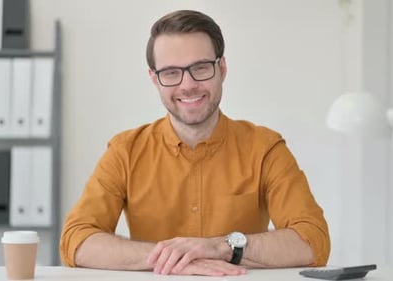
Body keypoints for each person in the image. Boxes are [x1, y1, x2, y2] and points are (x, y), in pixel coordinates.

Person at [60, 9, 330, 276]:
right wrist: (173, 258)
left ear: (221, 69)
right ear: (154, 79)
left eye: (200, 68)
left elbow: (312, 241)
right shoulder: (125, 151)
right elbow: (76, 241)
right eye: (171, 73)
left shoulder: (265, 148)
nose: (187, 85)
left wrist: (221, 247)